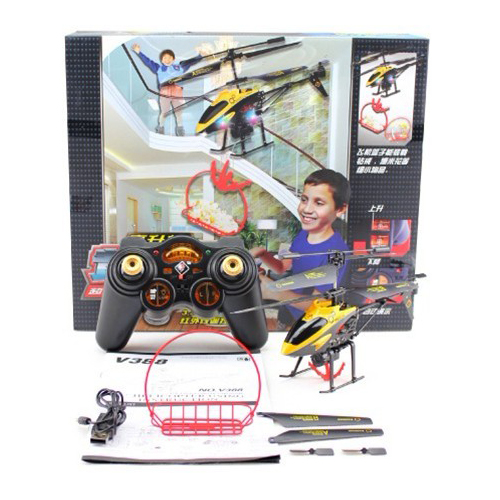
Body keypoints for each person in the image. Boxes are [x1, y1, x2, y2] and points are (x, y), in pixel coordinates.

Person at [251, 169, 351, 324]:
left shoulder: (336, 253)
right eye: (304, 200)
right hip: (287, 310)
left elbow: (319, 305)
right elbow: (282, 268)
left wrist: (275, 292)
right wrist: (263, 254)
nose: (306, 209)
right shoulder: (303, 235)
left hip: (306, 323)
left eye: (319, 203)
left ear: (340, 209)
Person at [131, 43, 209, 136]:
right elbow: (148, 62)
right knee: (164, 111)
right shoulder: (158, 68)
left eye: (169, 58)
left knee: (178, 111)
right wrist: (139, 52)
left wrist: (200, 56)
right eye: (165, 58)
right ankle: (161, 127)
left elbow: (190, 62)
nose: (167, 60)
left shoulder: (179, 67)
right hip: (165, 90)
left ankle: (180, 127)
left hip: (177, 89)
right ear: (162, 60)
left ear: (173, 59)